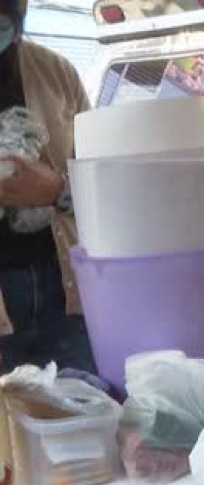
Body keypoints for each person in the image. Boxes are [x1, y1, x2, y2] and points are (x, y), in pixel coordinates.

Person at [0, 0, 94, 373]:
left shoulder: (57, 73)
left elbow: (103, 183)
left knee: (83, 401)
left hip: (67, 292)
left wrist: (58, 190)